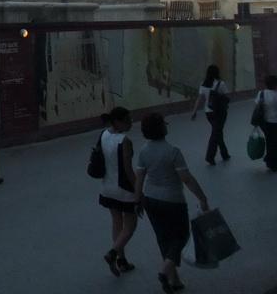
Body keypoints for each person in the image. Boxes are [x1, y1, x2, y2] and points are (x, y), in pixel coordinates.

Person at [134, 112, 209, 294]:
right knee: (181, 236)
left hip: (151, 200)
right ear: (162, 128)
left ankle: (174, 279)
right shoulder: (173, 150)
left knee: (163, 239)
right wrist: (202, 197)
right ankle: (165, 271)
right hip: (173, 201)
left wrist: (138, 200)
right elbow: (186, 178)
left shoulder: (144, 151)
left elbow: (139, 178)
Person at [98, 107, 138, 276]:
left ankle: (121, 260)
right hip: (124, 189)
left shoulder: (104, 135)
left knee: (116, 223)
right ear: (119, 122)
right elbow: (129, 170)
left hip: (107, 187)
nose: (131, 123)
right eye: (128, 120)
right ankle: (112, 253)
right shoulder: (125, 140)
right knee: (130, 225)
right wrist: (138, 191)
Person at [190, 64, 231, 164]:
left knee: (217, 131)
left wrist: (194, 111)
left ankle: (224, 154)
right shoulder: (221, 84)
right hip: (220, 112)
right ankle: (210, 156)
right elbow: (227, 98)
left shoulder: (203, 84)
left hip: (208, 112)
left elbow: (199, 99)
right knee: (216, 132)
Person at [255, 74, 277, 172]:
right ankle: (273, 162)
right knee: (275, 142)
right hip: (275, 121)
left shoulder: (261, 93)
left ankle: (269, 161)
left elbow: (257, 105)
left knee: (269, 141)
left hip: (264, 121)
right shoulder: (276, 94)